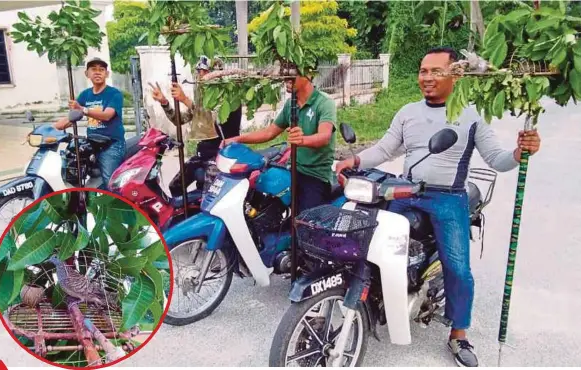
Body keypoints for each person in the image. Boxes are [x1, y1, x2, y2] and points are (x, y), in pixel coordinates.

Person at [336, 46, 541, 367]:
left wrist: (519, 152)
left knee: (458, 267)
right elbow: (385, 149)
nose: (427, 77)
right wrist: (353, 159)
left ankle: (459, 334)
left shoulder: (471, 117)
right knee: (370, 240)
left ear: (455, 74)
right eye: (423, 71)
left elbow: (497, 160)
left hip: (448, 198)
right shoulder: (407, 112)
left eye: (436, 71)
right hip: (405, 191)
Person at [224, 66, 337, 212]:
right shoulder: (291, 104)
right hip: (291, 170)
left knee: (307, 224)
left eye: (291, 76)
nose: (286, 81)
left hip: (315, 175)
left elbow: (324, 136)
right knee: (258, 201)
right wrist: (238, 139)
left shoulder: (324, 103)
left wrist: (302, 140)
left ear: (308, 74)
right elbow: (269, 132)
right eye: (284, 76)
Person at [150, 55, 242, 196]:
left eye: (205, 72)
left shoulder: (229, 97)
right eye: (199, 72)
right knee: (175, 187)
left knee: (210, 197)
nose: (201, 76)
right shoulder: (204, 100)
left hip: (221, 155)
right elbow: (180, 119)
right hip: (203, 154)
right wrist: (164, 102)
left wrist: (185, 99)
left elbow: (212, 118)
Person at [54, 57, 125, 190]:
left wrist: (83, 110)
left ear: (107, 74)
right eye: (93, 69)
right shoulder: (85, 95)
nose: (97, 72)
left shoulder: (114, 94)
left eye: (101, 70)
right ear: (87, 74)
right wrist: (48, 129)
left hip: (112, 145)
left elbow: (107, 115)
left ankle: (120, 207)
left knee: (111, 184)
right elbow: (72, 118)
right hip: (92, 145)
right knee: (73, 174)